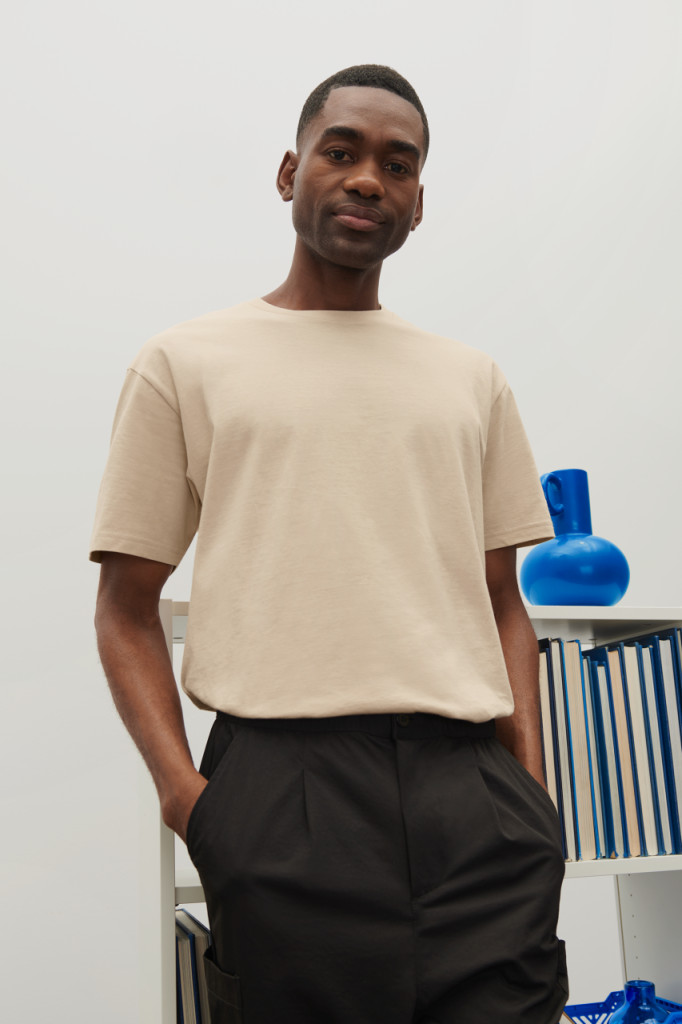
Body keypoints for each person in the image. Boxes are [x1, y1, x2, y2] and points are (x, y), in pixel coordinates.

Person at [91, 64, 568, 1024]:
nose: (366, 180)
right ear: (288, 172)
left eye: (398, 164)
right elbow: (126, 608)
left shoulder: (471, 379)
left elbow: (500, 600)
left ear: (418, 202)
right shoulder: (184, 363)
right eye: (340, 152)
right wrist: (190, 801)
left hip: (472, 796)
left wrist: (530, 792)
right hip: (281, 792)